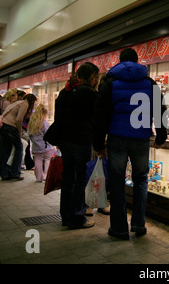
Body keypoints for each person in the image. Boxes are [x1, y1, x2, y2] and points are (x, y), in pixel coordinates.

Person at [93, 48, 168, 240]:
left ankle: (119, 229)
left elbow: (101, 114)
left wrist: (99, 142)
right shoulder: (149, 83)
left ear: (120, 61)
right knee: (141, 180)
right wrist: (161, 136)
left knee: (117, 182)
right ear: (137, 61)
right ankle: (138, 225)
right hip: (141, 138)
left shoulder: (110, 82)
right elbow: (160, 110)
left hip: (117, 137)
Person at [55, 62, 100, 229]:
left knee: (68, 178)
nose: (97, 80)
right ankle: (77, 217)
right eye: (95, 76)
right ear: (90, 76)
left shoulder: (65, 91)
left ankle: (66, 216)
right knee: (80, 179)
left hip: (65, 141)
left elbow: (58, 117)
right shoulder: (88, 93)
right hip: (81, 141)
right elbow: (95, 119)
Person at [0, 93, 37, 180]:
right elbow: (19, 119)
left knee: (6, 149)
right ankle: (15, 172)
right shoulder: (25, 104)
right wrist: (19, 132)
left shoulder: (17, 102)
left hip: (3, 126)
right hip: (10, 127)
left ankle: (4, 173)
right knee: (19, 148)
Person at [27, 104, 53, 182]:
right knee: (47, 159)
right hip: (45, 145)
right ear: (44, 114)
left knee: (37, 160)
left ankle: (39, 178)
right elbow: (47, 133)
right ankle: (46, 176)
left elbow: (29, 135)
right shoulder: (44, 123)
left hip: (35, 146)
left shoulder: (31, 124)